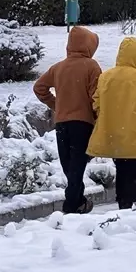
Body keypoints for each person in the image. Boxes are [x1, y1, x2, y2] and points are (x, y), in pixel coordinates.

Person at [33, 26, 101, 214]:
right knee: (77, 164)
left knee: (69, 164)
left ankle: (77, 201)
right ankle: (72, 205)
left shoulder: (58, 67)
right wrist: (98, 117)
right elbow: (97, 96)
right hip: (83, 123)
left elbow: (39, 88)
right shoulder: (91, 66)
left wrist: (57, 105)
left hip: (62, 123)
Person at [88, 36, 136, 210]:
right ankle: (129, 203)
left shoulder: (106, 76)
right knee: (134, 170)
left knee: (121, 168)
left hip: (115, 132)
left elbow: (96, 102)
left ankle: (122, 201)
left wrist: (107, 116)